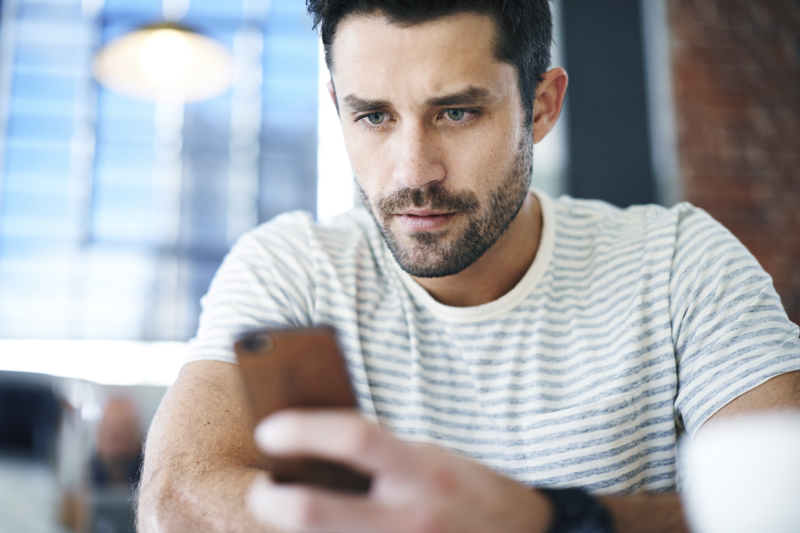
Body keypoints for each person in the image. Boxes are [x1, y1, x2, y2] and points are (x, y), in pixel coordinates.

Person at [137, 1, 800, 532]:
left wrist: (554, 519)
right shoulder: (291, 267)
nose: (412, 172)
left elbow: (785, 503)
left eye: (456, 112)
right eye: (373, 116)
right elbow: (177, 502)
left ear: (540, 106)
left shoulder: (679, 262)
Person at [91, 397, 143, 489]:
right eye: (108, 425)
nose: (113, 433)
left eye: (123, 426)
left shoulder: (152, 477)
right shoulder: (84, 476)